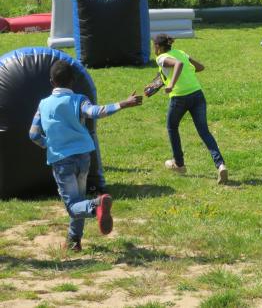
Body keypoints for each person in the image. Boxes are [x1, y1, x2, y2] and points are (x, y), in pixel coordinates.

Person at [29, 60, 142, 251]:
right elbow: (96, 112)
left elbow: (33, 134)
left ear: (51, 81)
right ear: (72, 81)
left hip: (61, 160)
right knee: (78, 198)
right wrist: (123, 104)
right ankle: (74, 241)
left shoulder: (43, 105)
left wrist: (48, 144)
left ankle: (96, 205)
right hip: (83, 157)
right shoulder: (79, 100)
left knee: (73, 205)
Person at [148, 34, 229, 184]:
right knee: (204, 132)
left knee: (172, 127)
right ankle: (221, 165)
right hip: (197, 94)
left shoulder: (161, 58)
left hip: (179, 97)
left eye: (154, 46)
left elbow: (178, 64)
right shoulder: (181, 52)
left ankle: (179, 164)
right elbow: (200, 67)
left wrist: (171, 84)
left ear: (158, 47)